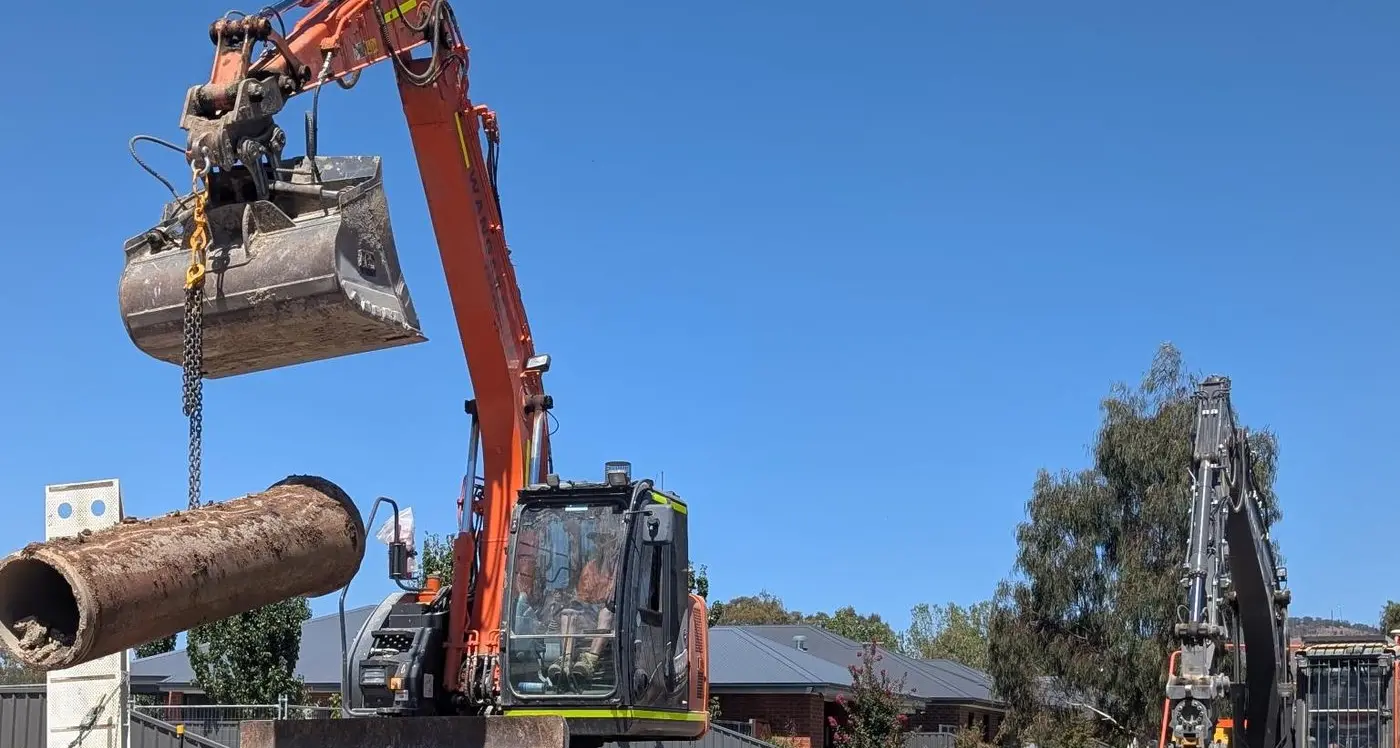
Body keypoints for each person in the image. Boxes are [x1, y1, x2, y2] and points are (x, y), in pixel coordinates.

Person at [548, 531, 619, 684]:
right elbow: (582, 596)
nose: (600, 545)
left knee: (606, 612)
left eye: (603, 541)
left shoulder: (619, 566)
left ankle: (590, 660)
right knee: (568, 613)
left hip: (615, 616)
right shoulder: (591, 567)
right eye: (598, 542)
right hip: (590, 613)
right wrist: (574, 603)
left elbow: (616, 596)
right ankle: (566, 660)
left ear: (612, 544)